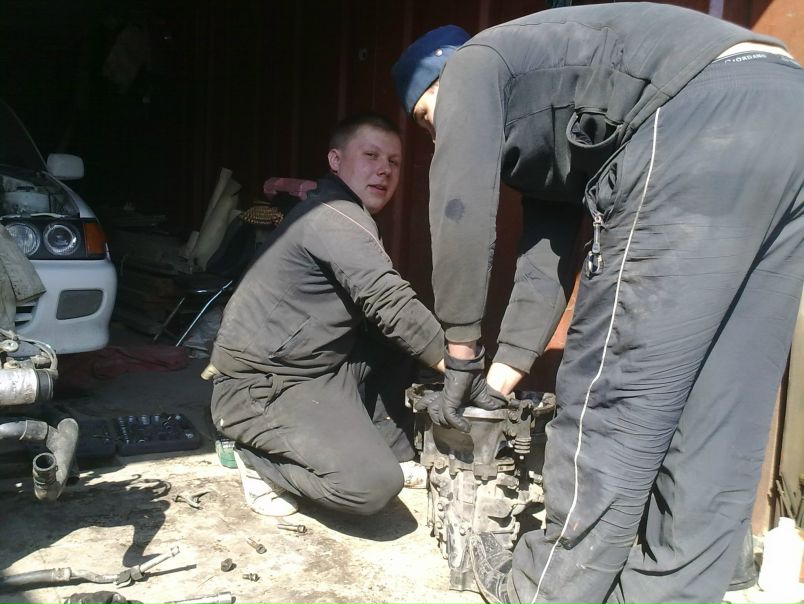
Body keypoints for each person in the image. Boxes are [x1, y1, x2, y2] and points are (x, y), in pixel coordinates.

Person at [392, 5, 803, 604]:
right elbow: (545, 260)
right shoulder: (553, 113)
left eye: (428, 118)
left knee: (616, 387)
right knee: (721, 402)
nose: (437, 134)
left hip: (694, 110)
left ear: (441, 81)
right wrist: (496, 382)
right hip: (788, 106)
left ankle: (546, 591)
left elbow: (460, 210)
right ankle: (672, 594)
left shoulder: (474, 65)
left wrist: (460, 353)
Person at [206, 112, 459, 517]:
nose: (385, 170)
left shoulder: (347, 213)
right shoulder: (332, 215)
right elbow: (391, 302)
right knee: (370, 488)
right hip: (258, 387)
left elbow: (392, 319)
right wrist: (467, 370)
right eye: (371, 155)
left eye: (393, 162)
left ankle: (392, 451)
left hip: (314, 368)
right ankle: (256, 459)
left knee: (399, 343)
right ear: (335, 160)